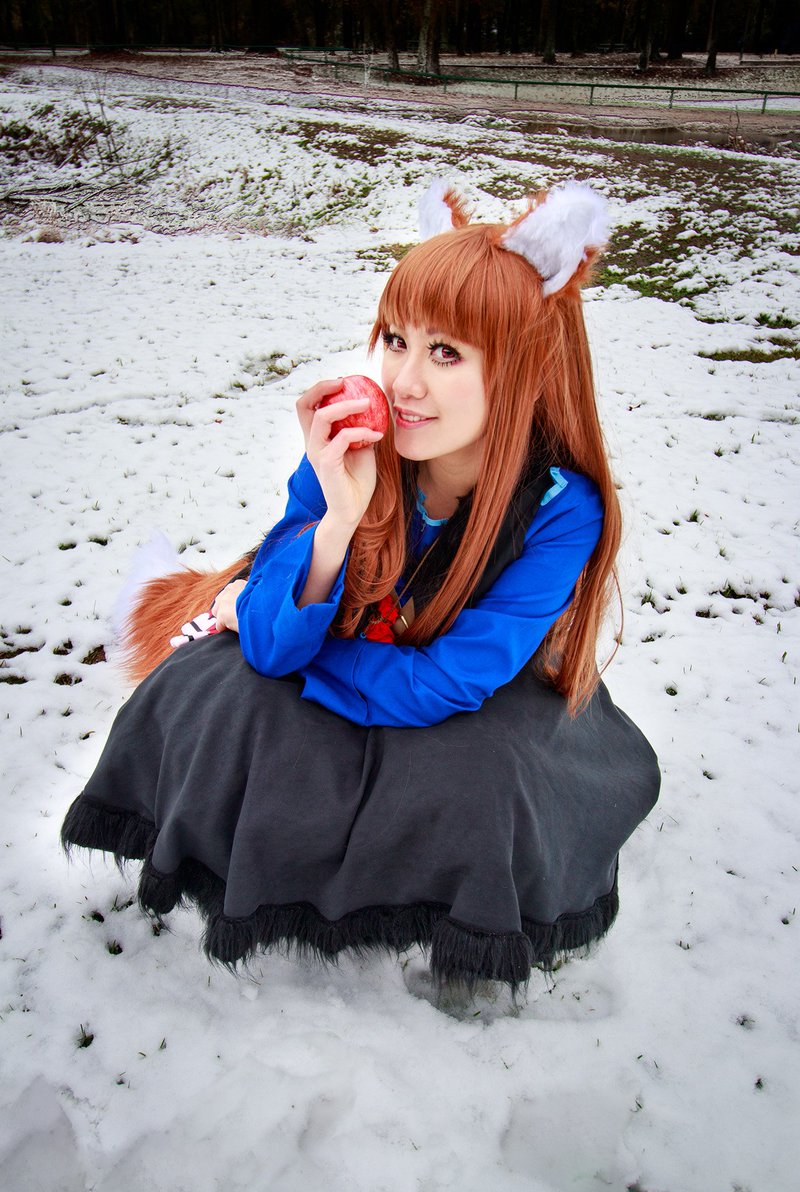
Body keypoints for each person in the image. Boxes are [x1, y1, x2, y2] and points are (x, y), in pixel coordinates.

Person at [61, 181, 660, 994]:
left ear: (526, 367)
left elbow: (448, 681)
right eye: (396, 340)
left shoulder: (561, 507)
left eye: (446, 353)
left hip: (480, 694)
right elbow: (271, 645)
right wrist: (338, 520)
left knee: (484, 776)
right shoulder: (350, 446)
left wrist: (296, 649)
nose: (404, 382)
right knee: (224, 697)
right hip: (351, 639)